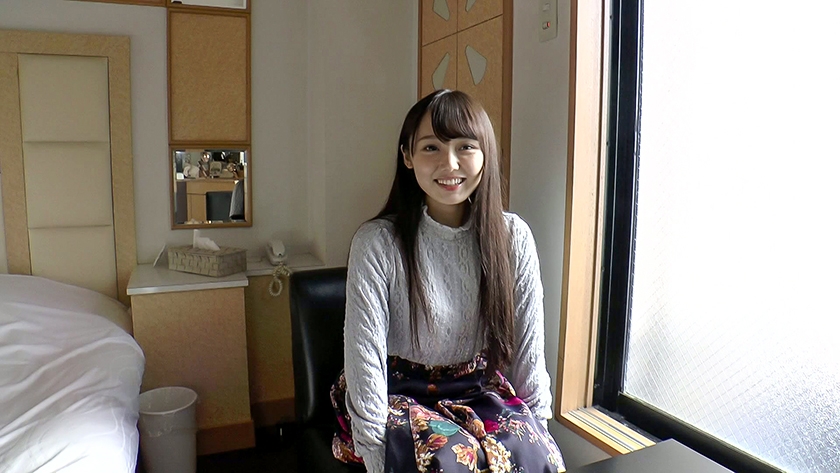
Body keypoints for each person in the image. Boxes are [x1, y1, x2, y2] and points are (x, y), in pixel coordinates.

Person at [333, 90, 565, 473]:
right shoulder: (377, 243)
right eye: (431, 148)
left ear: (485, 153)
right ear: (407, 156)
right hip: (396, 391)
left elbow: (529, 353)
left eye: (465, 147)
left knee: (533, 457)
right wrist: (377, 452)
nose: (450, 163)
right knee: (448, 458)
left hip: (477, 388)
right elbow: (364, 358)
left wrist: (538, 433)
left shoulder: (513, 238)